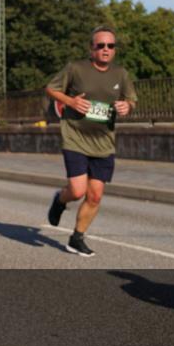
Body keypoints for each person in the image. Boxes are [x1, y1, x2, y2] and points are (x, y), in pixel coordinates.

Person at [46, 26, 137, 256]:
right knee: (77, 191)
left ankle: (76, 238)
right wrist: (71, 101)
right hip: (75, 137)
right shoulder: (75, 68)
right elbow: (51, 89)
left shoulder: (121, 74)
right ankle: (60, 200)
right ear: (91, 48)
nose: (106, 49)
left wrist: (127, 106)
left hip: (104, 142)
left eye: (110, 46)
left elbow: (131, 100)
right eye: (101, 45)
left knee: (95, 196)